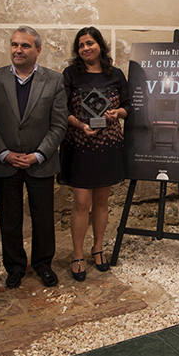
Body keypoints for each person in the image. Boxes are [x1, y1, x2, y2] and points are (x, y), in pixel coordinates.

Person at [0, 26, 68, 289]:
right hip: (5, 163)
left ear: (38, 50)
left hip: (40, 164)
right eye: (14, 45)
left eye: (25, 45)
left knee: (43, 218)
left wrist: (38, 155)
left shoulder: (53, 80)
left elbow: (59, 125)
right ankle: (15, 267)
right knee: (9, 219)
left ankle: (43, 264)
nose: (18, 50)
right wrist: (5, 154)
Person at [60, 27, 130, 280]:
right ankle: (77, 253)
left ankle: (98, 248)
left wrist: (116, 114)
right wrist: (79, 124)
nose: (86, 48)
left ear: (100, 45)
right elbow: (60, 109)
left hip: (108, 145)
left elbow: (128, 105)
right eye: (81, 45)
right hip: (79, 145)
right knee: (81, 202)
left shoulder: (116, 75)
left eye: (90, 43)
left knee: (102, 201)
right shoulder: (70, 75)